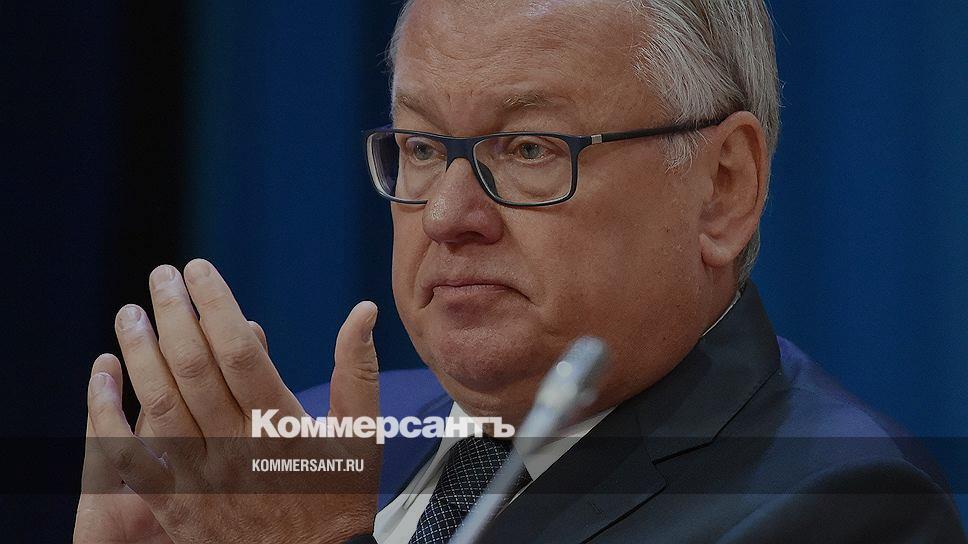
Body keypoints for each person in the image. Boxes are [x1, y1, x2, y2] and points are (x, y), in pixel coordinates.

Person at [74, 0, 966, 542]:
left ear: (723, 188)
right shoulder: (312, 445)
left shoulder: (840, 506)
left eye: (532, 147)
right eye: (423, 148)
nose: (449, 215)